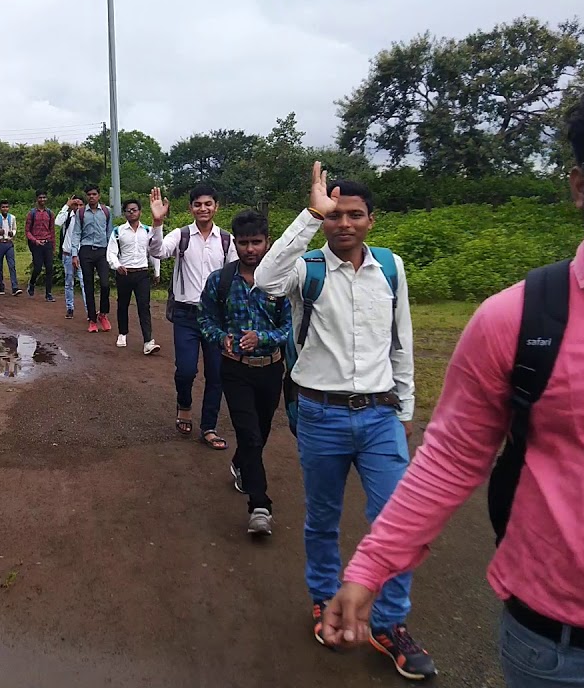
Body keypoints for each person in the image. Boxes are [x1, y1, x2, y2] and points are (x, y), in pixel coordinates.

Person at [320, 73, 584, 687]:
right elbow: (449, 461)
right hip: (556, 657)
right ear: (579, 186)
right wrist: (369, 570)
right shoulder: (515, 319)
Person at [253, 161, 426, 679]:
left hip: (378, 416)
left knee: (395, 523)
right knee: (322, 518)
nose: (343, 223)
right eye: (335, 215)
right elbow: (265, 280)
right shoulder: (308, 269)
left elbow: (402, 344)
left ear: (371, 220)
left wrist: (406, 409)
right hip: (320, 414)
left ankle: (389, 622)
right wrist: (309, 213)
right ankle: (325, 598)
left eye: (354, 215)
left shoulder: (391, 269)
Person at [199, 209, 289, 537]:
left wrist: (263, 338)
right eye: (243, 242)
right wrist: (220, 337)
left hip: (270, 368)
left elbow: (290, 327)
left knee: (261, 432)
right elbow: (205, 319)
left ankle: (240, 462)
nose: (250, 249)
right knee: (249, 431)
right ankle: (260, 505)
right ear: (234, 244)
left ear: (269, 243)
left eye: (257, 242)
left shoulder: (283, 282)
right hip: (235, 370)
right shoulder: (220, 281)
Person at [148, 184, 238, 451]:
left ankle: (208, 427)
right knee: (186, 370)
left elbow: (234, 275)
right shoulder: (181, 235)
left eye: (208, 204)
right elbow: (158, 252)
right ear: (190, 208)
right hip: (187, 315)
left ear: (216, 207)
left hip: (216, 317)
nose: (203, 208)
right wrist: (156, 223)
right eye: (197, 204)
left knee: (216, 374)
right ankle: (184, 404)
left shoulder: (227, 240)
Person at [106, 198, 161, 354]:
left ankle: (148, 341)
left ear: (140, 212)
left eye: (134, 210)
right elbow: (111, 252)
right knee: (123, 304)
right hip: (125, 273)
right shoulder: (118, 231)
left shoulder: (148, 231)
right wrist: (117, 266)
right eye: (128, 210)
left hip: (142, 273)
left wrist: (157, 271)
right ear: (125, 213)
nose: (132, 213)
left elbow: (154, 252)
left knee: (144, 306)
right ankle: (123, 333)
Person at [69, 185, 114, 333]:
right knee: (88, 285)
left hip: (102, 251)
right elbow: (76, 234)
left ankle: (103, 314)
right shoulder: (81, 213)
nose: (91, 197)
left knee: (105, 284)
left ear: (99, 196)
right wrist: (74, 254)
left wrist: (112, 253)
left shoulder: (106, 212)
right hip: (86, 250)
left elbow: (110, 233)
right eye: (89, 194)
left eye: (94, 194)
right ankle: (92, 320)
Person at [55, 196, 87, 319]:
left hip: (82, 255)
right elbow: (57, 222)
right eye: (75, 205)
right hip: (68, 254)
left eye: (80, 205)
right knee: (69, 283)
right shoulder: (68, 217)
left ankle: (89, 310)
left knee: (85, 282)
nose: (78, 208)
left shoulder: (86, 218)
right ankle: (70, 308)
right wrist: (66, 206)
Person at [25, 191, 56, 302]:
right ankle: (32, 283)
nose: (42, 199)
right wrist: (35, 240)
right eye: (40, 197)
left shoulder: (50, 213)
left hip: (47, 242)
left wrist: (53, 246)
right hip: (36, 244)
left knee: (49, 268)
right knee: (37, 267)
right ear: (37, 199)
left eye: (44, 197)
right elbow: (27, 231)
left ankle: (48, 293)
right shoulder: (31, 213)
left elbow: (52, 231)